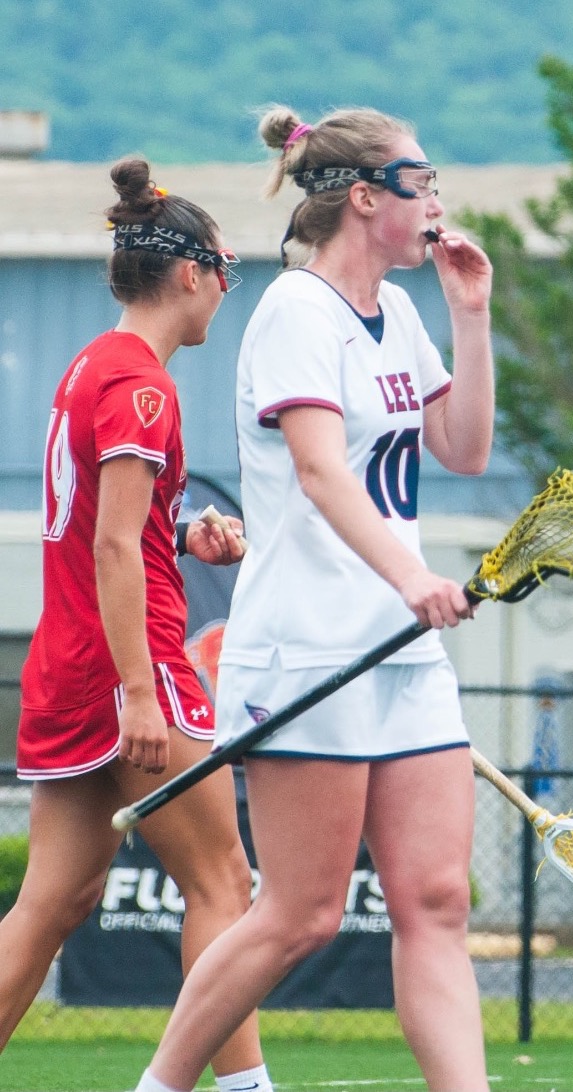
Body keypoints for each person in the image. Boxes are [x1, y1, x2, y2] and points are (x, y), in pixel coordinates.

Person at [138, 105, 497, 1092]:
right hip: (312, 647)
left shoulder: (404, 315)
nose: (438, 204)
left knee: (433, 900)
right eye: (423, 184)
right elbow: (321, 471)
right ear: (367, 198)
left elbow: (462, 451)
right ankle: (161, 1083)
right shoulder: (299, 311)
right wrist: (414, 577)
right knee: (301, 914)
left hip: (401, 650)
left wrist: (472, 315)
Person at [0, 160, 261, 1091]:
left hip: (70, 663)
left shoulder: (89, 368)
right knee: (225, 886)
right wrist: (142, 694)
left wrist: (187, 534)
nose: (229, 290)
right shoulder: (145, 388)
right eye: (228, 270)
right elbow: (112, 550)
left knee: (51, 904)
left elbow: (121, 532)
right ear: (190, 274)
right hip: (128, 664)